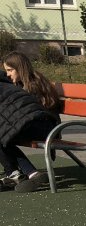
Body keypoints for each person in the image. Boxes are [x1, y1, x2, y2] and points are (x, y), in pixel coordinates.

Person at [0, 52, 61, 193]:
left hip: (44, 127)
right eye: (6, 71)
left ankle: (18, 172)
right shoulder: (19, 84)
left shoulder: (34, 84)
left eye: (10, 70)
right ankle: (23, 173)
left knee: (3, 136)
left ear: (20, 68)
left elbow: (31, 113)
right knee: (3, 135)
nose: (8, 74)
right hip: (32, 125)